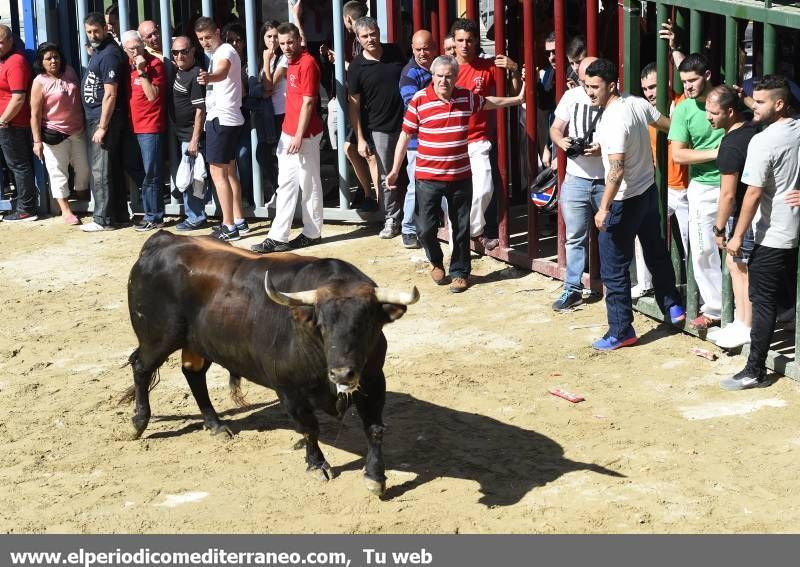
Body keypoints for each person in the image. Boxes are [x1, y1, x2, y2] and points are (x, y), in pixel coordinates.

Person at [385, 55, 525, 293]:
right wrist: (395, 170)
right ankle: (436, 260)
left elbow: (490, 101)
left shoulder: (466, 98)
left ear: (456, 77)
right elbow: (405, 136)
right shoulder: (419, 101)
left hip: (460, 176)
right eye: (439, 76)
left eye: (449, 76)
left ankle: (460, 272)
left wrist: (518, 99)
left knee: (461, 228)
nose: (443, 81)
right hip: (428, 177)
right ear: (433, 76)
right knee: (425, 228)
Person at [584, 58, 685, 350]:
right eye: (587, 86)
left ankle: (621, 330)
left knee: (614, 268)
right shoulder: (635, 103)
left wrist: (603, 208)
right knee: (656, 250)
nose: (590, 92)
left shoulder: (614, 118)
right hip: (647, 192)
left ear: (611, 85)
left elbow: (616, 172)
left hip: (623, 201)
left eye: (595, 87)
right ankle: (674, 307)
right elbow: (666, 125)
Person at [721, 76, 800, 390]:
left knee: (762, 300)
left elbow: (752, 194)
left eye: (761, 101)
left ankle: (755, 370)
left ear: (779, 104)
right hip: (791, 229)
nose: (753, 105)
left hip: (773, 233)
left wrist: (737, 235)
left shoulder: (763, 141)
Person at [250, 22, 323, 253]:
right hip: (289, 132)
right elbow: (270, 87)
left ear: (299, 41)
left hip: (305, 134)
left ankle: (312, 233)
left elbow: (309, 101)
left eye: (290, 42)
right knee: (287, 185)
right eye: (282, 43)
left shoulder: (308, 62)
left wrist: (299, 135)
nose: (286, 47)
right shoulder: (290, 62)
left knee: (309, 183)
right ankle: (278, 236)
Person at [451, 18, 521, 250]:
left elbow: (508, 94)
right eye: (460, 40)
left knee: (485, 188)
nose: (464, 45)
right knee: (456, 194)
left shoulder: (488, 66)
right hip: (453, 140)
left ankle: (473, 231)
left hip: (480, 139)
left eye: (469, 40)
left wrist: (513, 69)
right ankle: (465, 238)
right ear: (453, 42)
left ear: (476, 42)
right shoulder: (446, 69)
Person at [668, 53, 724, 330]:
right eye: (683, 81)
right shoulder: (683, 109)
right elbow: (677, 155)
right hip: (702, 186)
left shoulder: (729, 99)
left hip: (736, 183)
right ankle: (716, 309)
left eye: (692, 80)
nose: (687, 87)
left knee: (743, 252)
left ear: (708, 75)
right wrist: (717, 153)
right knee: (702, 249)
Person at [548, 56, 605, 311]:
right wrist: (562, 143)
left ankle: (614, 287)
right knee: (574, 238)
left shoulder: (614, 99)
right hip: (576, 177)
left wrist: (603, 149)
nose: (587, 88)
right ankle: (572, 288)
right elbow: (555, 128)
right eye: (583, 81)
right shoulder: (571, 97)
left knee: (612, 236)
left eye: (591, 82)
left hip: (606, 179)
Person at [706, 84, 757, 349]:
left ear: (729, 111)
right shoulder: (751, 127)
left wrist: (719, 229)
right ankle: (740, 322)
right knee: (736, 266)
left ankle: (745, 326)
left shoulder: (731, 145)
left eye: (713, 112)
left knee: (740, 267)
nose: (708, 117)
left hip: (743, 214)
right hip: (757, 211)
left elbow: (727, 195)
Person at [632, 62, 689, 298]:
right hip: (661, 188)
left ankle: (699, 295)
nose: (650, 93)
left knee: (693, 246)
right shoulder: (645, 114)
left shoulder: (682, 104)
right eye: (645, 89)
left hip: (687, 187)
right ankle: (645, 283)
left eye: (654, 86)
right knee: (642, 232)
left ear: (666, 82)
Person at [348, 17, 406, 239]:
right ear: (358, 39)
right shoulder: (356, 68)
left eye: (373, 33)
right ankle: (392, 218)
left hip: (407, 123)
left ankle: (418, 215)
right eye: (365, 36)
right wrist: (360, 139)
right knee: (387, 176)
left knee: (415, 171)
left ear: (379, 32)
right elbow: (353, 106)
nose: (370, 39)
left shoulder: (394, 52)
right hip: (380, 128)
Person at [195, 16, 247, 241]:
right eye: (200, 39)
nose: (205, 42)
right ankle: (238, 221)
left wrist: (209, 77)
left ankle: (228, 226)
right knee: (227, 172)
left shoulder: (224, 51)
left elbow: (222, 72)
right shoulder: (220, 52)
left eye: (208, 37)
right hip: (228, 118)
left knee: (218, 173)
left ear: (217, 32)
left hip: (222, 119)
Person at [80, 12, 130, 232]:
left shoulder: (109, 54)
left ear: (105, 28)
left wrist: (102, 126)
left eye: (96, 31)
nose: (92, 35)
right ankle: (118, 215)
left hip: (104, 120)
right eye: (89, 32)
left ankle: (103, 219)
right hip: (101, 118)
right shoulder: (102, 51)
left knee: (101, 171)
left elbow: (110, 94)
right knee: (111, 170)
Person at [30, 42, 89, 226]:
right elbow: (34, 114)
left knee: (84, 168)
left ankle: (83, 198)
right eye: (48, 58)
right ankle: (66, 210)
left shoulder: (70, 71)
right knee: (58, 172)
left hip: (77, 131)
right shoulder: (39, 82)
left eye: (56, 56)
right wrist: (37, 141)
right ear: (41, 62)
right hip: (54, 134)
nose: (53, 61)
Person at [122, 30, 166, 232]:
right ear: (125, 49)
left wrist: (142, 71)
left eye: (138, 47)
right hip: (131, 126)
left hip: (150, 126)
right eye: (131, 49)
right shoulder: (124, 66)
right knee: (131, 165)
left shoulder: (155, 64)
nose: (135, 51)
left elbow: (152, 96)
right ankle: (157, 194)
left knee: (152, 173)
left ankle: (154, 216)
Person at [398, 29, 434, 250]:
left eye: (427, 48)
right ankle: (408, 228)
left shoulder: (438, 67)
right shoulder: (409, 74)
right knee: (415, 186)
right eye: (418, 49)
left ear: (434, 47)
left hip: (437, 140)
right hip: (416, 142)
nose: (423, 53)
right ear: (412, 49)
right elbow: (413, 106)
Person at [169, 36, 208, 231]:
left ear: (192, 51)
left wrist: (194, 140)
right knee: (189, 177)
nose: (179, 56)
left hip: (191, 137)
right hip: (182, 134)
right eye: (175, 52)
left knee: (193, 179)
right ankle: (195, 215)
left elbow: (201, 110)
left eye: (184, 51)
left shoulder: (195, 75)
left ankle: (196, 217)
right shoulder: (181, 71)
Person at [0, 25, 38, 222]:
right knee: (13, 165)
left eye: (0, 41)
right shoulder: (5, 61)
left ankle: (26, 209)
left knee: (19, 165)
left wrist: (3, 120)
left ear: (10, 41)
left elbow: (18, 98)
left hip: (12, 124)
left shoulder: (16, 62)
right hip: (7, 123)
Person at [260, 20, 286, 193]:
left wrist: (266, 60)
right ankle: (278, 190)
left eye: (276, 36)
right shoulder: (260, 56)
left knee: (280, 155)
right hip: (266, 113)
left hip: (281, 112)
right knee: (262, 155)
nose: (273, 41)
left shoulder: (283, 57)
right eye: (269, 36)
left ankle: (281, 191)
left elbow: (269, 86)